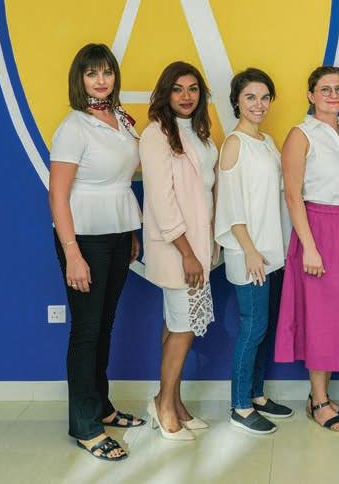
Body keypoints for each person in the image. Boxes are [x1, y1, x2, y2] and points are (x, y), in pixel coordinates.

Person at [49, 43, 143, 461]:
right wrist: (72, 253)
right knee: (86, 332)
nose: (101, 80)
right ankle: (85, 426)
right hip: (84, 238)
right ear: (80, 79)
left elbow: (121, 180)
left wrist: (130, 232)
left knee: (104, 326)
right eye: (92, 73)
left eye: (107, 72)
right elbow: (58, 194)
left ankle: (102, 407)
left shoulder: (119, 119)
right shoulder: (74, 126)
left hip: (118, 234)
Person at [277, 65, 339, 433]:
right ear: (310, 95)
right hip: (319, 230)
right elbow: (292, 195)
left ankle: (322, 395)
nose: (333, 95)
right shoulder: (301, 135)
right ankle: (318, 401)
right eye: (325, 89)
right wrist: (310, 248)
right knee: (321, 317)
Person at [140, 61, 218, 441]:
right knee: (184, 327)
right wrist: (187, 252)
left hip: (199, 247)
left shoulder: (200, 132)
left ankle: (173, 400)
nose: (186, 96)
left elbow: (205, 192)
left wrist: (207, 246)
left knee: (176, 324)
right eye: (178, 89)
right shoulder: (155, 134)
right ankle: (163, 406)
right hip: (178, 249)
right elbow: (162, 200)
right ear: (165, 93)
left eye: (193, 89)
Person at [215, 68, 295, 435]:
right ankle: (240, 406)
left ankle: (257, 395)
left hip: (270, 251)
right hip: (248, 252)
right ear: (236, 101)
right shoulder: (235, 143)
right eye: (250, 97)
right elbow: (231, 205)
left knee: (264, 327)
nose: (259, 104)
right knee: (252, 327)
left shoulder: (267, 141)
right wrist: (249, 250)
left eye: (264, 97)